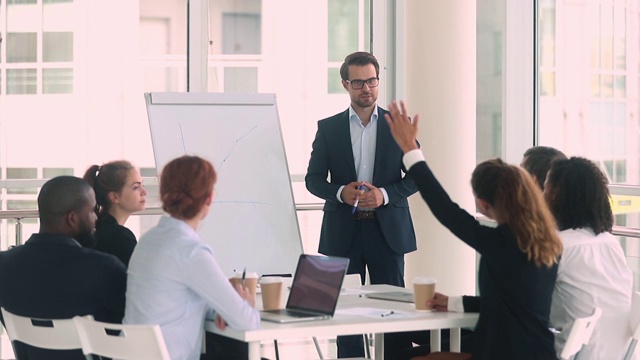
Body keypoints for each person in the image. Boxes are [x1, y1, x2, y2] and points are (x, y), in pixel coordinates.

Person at [384, 100, 563, 360]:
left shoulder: (502, 242)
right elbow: (512, 304)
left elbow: (446, 210)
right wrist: (455, 303)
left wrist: (410, 150)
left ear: (484, 203)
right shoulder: (547, 241)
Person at [305, 51, 418, 357]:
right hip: (343, 235)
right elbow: (313, 180)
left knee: (395, 317)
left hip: (388, 234)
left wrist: (385, 194)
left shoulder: (399, 125)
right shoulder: (329, 129)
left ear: (378, 81)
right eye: (358, 82)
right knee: (345, 317)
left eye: (372, 80)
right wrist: (341, 192)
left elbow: (418, 176)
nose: (366, 88)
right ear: (345, 84)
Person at [124, 155, 260, 360]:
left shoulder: (148, 240)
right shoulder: (190, 251)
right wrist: (244, 303)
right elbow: (248, 322)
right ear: (209, 198)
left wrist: (223, 307)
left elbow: (179, 300)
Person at [0, 176, 127, 359]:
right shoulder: (104, 268)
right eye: (92, 210)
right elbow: (131, 331)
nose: (96, 218)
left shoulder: (4, 265)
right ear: (72, 218)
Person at [544, 156, 634, 359]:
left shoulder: (558, 247)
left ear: (555, 195)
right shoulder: (609, 243)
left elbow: (526, 303)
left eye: (544, 189)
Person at [83, 160, 147, 266]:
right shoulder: (120, 238)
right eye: (136, 187)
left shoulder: (99, 228)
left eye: (142, 185)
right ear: (114, 197)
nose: (144, 192)